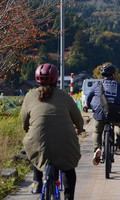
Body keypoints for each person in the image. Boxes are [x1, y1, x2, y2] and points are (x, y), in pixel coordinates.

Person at [21, 63, 83, 200]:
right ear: (56, 79)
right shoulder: (65, 97)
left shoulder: (29, 96)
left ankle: (37, 182)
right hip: (64, 141)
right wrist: (79, 129)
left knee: (35, 149)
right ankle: (68, 197)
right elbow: (78, 119)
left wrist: (28, 131)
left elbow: (24, 122)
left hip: (36, 140)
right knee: (68, 168)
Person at [83, 64, 120, 165]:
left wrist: (87, 105)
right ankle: (119, 146)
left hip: (99, 113)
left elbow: (88, 99)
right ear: (113, 74)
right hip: (115, 113)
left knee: (97, 131)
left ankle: (97, 148)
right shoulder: (119, 86)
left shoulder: (96, 85)